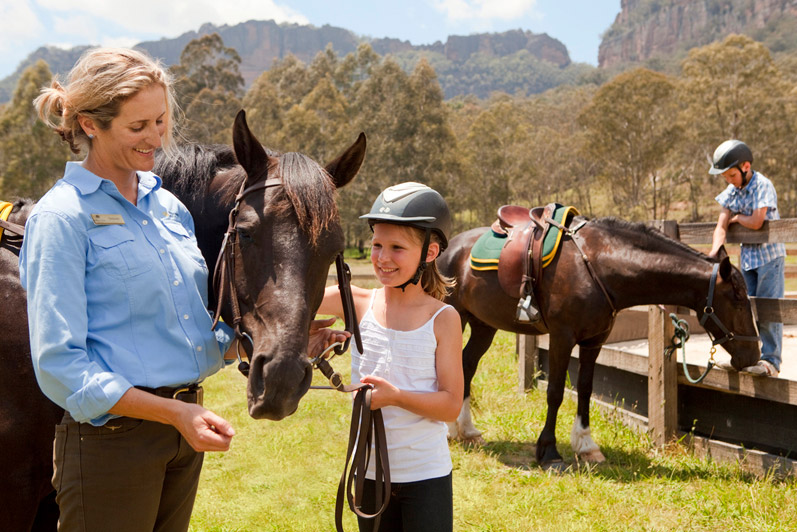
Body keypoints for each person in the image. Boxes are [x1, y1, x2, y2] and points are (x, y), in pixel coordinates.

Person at [20, 47, 345, 531]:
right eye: (138, 127)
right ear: (90, 124)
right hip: (112, 441)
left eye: (161, 120)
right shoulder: (62, 217)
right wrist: (172, 414)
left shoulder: (168, 208)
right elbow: (61, 366)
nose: (156, 138)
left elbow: (185, 329)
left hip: (180, 430)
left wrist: (268, 344)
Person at [318, 182, 464, 532]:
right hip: (368, 473)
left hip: (426, 476)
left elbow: (450, 405)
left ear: (430, 252)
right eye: (377, 245)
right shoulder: (354, 301)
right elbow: (286, 307)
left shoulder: (443, 319)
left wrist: (396, 397)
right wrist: (312, 333)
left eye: (397, 248)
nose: (382, 258)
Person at [708, 139, 785, 377]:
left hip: (769, 257)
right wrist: (713, 254)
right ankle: (744, 359)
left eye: (732, 175)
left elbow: (756, 221)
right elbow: (721, 226)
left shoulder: (762, 185)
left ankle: (771, 361)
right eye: (725, 177)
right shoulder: (732, 191)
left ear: (746, 167)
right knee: (744, 308)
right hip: (749, 259)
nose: (729, 181)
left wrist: (739, 218)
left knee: (767, 307)